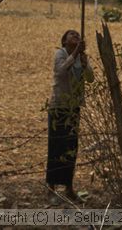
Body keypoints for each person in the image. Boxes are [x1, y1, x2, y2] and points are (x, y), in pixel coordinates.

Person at [45, 29, 94, 202]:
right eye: (72, 35)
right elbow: (60, 71)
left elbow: (90, 78)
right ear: (64, 41)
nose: (76, 37)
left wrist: (85, 61)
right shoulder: (61, 53)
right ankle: (51, 188)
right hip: (59, 106)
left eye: (78, 35)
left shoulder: (80, 57)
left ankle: (68, 187)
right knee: (56, 146)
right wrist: (74, 53)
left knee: (71, 147)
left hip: (73, 107)